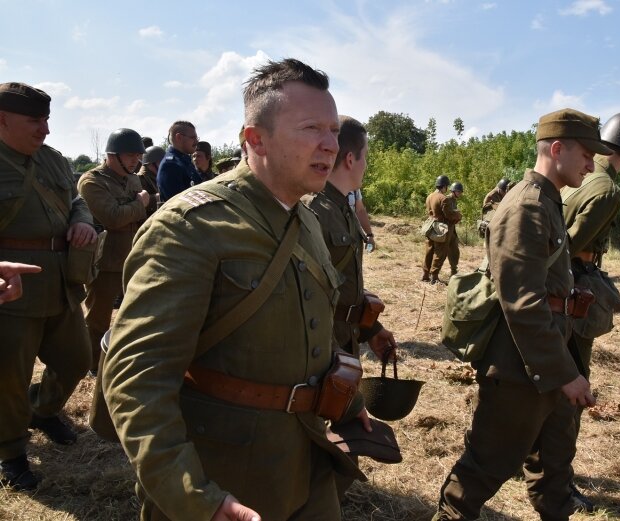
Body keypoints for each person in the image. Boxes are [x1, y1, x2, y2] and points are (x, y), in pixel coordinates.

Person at [102, 58, 366, 521]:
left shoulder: (303, 216)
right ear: (255, 139)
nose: (331, 143)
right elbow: (138, 378)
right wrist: (194, 498)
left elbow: (312, 325)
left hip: (305, 461)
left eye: (332, 130)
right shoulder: (191, 226)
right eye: (311, 129)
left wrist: (349, 404)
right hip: (223, 477)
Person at [432, 108, 611, 521]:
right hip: (518, 366)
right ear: (556, 148)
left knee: (554, 463)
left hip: (547, 360)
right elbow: (524, 303)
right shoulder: (527, 207)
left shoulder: (548, 202)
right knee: (485, 468)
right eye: (586, 153)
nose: (591, 163)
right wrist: (565, 374)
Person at [548, 111, 620, 512]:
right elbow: (568, 246)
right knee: (573, 387)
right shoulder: (606, 188)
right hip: (572, 287)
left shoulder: (579, 173)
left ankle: (538, 463)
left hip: (554, 286)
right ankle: (558, 479)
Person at [0, 82, 96, 491]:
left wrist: (83, 220)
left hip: (60, 284)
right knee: (9, 377)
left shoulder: (53, 160)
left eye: (47, 119)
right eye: (35, 121)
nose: (46, 130)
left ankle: (43, 410)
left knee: (77, 359)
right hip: (12, 290)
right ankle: (10, 451)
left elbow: (77, 199)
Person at [302, 116, 396, 359]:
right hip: (322, 350)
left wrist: (371, 329)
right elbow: (304, 296)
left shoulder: (342, 207)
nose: (366, 165)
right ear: (351, 159)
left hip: (345, 338)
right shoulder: (314, 210)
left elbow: (338, 281)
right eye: (365, 157)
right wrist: (332, 356)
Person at [77, 128, 149, 373]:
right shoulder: (92, 181)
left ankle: (121, 359)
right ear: (112, 155)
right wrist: (139, 204)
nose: (135, 161)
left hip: (132, 257)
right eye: (130, 155)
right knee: (98, 318)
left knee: (131, 316)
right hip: (105, 261)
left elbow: (134, 217)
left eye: (138, 156)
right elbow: (112, 217)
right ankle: (93, 365)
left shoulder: (132, 178)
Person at [157, 120, 201, 202]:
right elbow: (178, 202)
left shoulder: (184, 161)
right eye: (193, 138)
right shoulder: (170, 165)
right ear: (179, 137)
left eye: (196, 138)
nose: (196, 141)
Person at [421, 174, 453, 284]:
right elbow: (449, 215)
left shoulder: (429, 196)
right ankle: (434, 277)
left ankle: (425, 274)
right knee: (440, 252)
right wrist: (458, 215)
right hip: (440, 227)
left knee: (429, 250)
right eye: (447, 186)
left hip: (430, 225)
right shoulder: (444, 198)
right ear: (444, 186)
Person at [138, 145, 165, 216]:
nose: (164, 164)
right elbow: (140, 204)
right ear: (151, 164)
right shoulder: (139, 179)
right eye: (161, 162)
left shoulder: (158, 175)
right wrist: (158, 197)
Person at [445, 181, 464, 276]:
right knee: (442, 252)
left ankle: (454, 270)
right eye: (458, 192)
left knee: (454, 250)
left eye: (460, 192)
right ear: (453, 191)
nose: (460, 194)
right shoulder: (447, 199)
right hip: (445, 229)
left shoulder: (454, 200)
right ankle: (433, 274)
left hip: (452, 228)